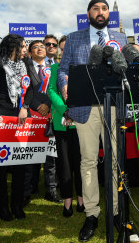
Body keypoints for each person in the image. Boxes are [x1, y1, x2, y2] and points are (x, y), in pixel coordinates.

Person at [58, 0, 128, 242]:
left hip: (112, 106)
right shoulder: (74, 37)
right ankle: (92, 214)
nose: (101, 12)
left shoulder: (120, 38)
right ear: (88, 13)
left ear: (109, 13)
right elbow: (64, 69)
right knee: (88, 161)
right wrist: (65, 85)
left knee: (114, 161)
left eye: (105, 9)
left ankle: (117, 211)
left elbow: (125, 68)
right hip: (85, 108)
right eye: (96, 8)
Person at [0, 32, 31, 222]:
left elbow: (30, 89)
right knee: (1, 165)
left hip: (19, 116)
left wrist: (25, 107)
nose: (24, 49)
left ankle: (17, 205)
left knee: (20, 163)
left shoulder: (24, 64)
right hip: (1, 117)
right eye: (22, 46)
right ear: (13, 46)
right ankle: (3, 206)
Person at [47, 36, 84, 217]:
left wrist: (75, 111)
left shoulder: (82, 69)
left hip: (81, 123)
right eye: (63, 48)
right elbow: (51, 91)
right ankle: (67, 201)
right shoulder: (55, 68)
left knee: (81, 162)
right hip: (62, 123)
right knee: (65, 164)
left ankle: (82, 199)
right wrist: (64, 110)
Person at [24, 40, 61, 204]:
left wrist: (48, 105)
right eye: (35, 47)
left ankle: (51, 190)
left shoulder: (54, 68)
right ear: (29, 52)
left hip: (49, 116)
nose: (40, 49)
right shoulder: (24, 67)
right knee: (30, 154)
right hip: (31, 115)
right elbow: (24, 90)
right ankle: (29, 188)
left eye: (42, 46)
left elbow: (56, 89)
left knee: (50, 156)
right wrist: (37, 105)